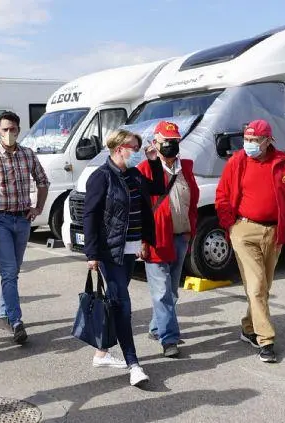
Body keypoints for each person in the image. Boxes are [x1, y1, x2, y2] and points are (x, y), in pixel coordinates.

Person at [215, 119, 285, 363]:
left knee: (263, 288)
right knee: (256, 287)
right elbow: (222, 196)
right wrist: (230, 225)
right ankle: (266, 341)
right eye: (247, 139)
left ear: (268, 141)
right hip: (244, 231)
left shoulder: (282, 162)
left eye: (255, 140)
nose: (250, 144)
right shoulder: (237, 161)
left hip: (275, 233)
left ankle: (248, 326)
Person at [83, 129, 156, 387]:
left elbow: (158, 188)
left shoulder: (134, 175)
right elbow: (89, 216)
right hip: (109, 253)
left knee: (115, 303)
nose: (137, 152)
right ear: (119, 149)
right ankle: (134, 365)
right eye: (133, 148)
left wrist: (154, 160)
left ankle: (101, 354)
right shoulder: (100, 177)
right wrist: (91, 253)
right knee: (123, 307)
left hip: (130, 250)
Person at [0, 111, 49, 344]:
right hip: (0, 220)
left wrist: (38, 208)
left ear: (18, 130)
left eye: (13, 129)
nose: (9, 133)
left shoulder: (27, 154)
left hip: (22, 219)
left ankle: (4, 313)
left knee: (13, 272)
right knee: (8, 272)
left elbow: (43, 181)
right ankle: (16, 321)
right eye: (5, 129)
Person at [138, 121, 199, 358]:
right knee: (162, 290)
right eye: (166, 141)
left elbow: (192, 202)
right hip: (155, 239)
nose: (171, 145)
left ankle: (156, 327)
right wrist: (141, 241)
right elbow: (139, 208)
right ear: (155, 142)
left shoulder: (186, 169)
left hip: (179, 237)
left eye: (174, 141)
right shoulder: (146, 169)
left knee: (171, 291)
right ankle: (169, 338)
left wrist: (190, 229)